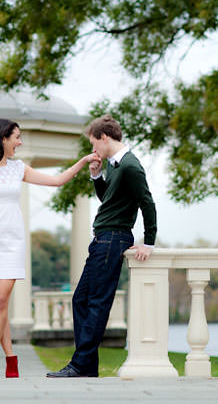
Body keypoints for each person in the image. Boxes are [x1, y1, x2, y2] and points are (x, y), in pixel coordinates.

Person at [0, 118, 97, 379]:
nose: (20, 142)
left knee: (1, 300)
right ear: (3, 138)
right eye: (17, 137)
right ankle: (11, 358)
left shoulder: (18, 168)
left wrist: (82, 162)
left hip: (12, 242)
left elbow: (57, 181)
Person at [47, 114, 156, 378]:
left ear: (104, 138)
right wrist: (97, 176)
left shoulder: (130, 166)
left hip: (113, 239)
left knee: (96, 302)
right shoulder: (114, 165)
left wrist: (149, 242)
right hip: (103, 239)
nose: (93, 150)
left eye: (94, 144)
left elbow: (147, 202)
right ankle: (87, 365)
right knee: (80, 299)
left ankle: (80, 365)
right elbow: (108, 199)